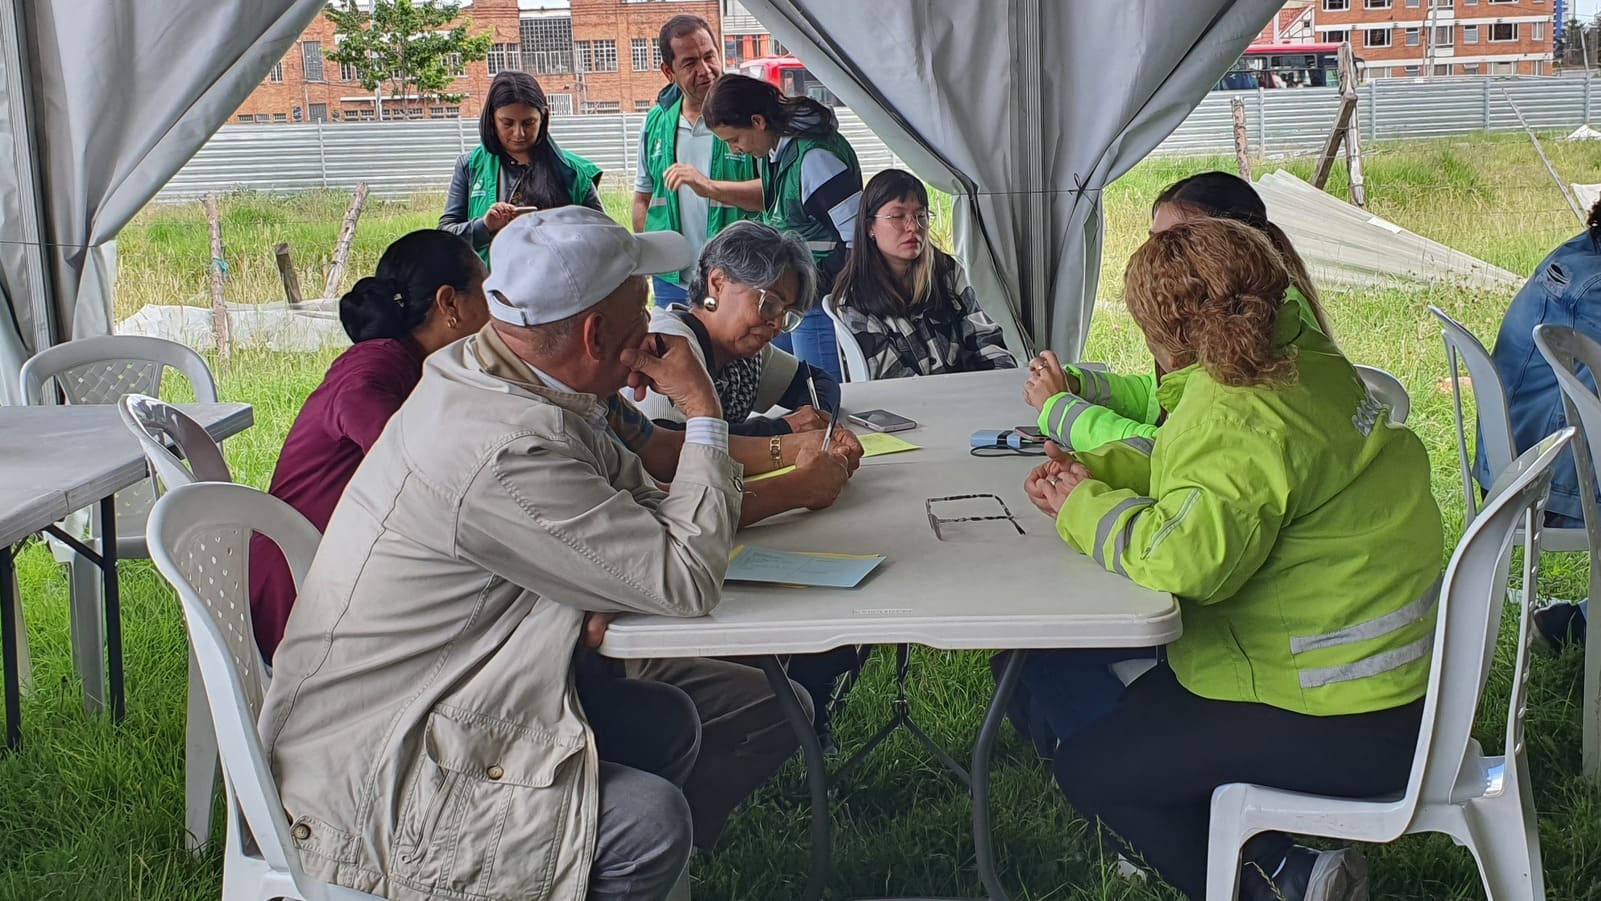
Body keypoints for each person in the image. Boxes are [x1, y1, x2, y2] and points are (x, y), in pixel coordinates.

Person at [261, 207, 851, 900]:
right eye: (642, 308)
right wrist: (701, 410)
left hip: (457, 692)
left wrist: (598, 583)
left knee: (668, 721)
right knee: (650, 822)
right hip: (380, 762)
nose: (655, 324)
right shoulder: (505, 446)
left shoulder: (504, 374)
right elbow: (683, 576)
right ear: (596, 332)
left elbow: (636, 520)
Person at [1022, 218, 1440, 901]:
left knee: (1091, 768)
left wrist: (1081, 507)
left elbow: (1191, 560)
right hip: (1396, 691)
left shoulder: (1235, 411)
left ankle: (1263, 886)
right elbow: (1219, 482)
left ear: (1163, 333)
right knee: (1064, 678)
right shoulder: (1302, 360)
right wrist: (1097, 471)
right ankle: (1281, 861)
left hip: (1330, 716)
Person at [247, 229, 490, 658]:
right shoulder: (371, 373)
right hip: (302, 593)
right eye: (488, 291)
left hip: (347, 571)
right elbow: (424, 476)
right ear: (449, 303)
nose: (496, 309)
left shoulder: (413, 364)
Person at [1024, 170, 1332, 456]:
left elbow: (1173, 449)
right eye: (1155, 240)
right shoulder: (1236, 303)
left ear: (1230, 247)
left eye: (1177, 242)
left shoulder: (1253, 322)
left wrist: (1060, 409)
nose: (1157, 257)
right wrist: (1079, 386)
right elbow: (1166, 396)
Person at [1483, 197, 1601, 648]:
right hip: (1550, 485)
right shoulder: (1593, 288)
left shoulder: (1582, 255)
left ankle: (1579, 624)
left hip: (1519, 463)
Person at [703, 72, 863, 383]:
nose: (735, 150)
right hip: (788, 302)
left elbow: (858, 240)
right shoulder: (773, 152)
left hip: (816, 305)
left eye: (735, 139)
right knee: (791, 392)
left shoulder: (815, 159)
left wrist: (810, 291)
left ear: (758, 121)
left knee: (820, 397)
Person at [638, 220, 840, 436]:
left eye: (788, 315)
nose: (778, 325)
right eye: (768, 304)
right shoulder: (667, 344)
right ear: (717, 283)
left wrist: (813, 419)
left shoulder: (743, 357)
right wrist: (784, 429)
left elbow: (818, 383)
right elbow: (665, 441)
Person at [831, 169, 1017, 378]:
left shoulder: (947, 271)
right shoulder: (855, 301)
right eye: (898, 216)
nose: (913, 227)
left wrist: (1002, 383)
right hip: (910, 406)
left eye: (920, 216)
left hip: (973, 398)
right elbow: (892, 385)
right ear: (869, 227)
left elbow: (987, 342)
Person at [632, 14, 763, 307]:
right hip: (671, 281)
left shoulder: (750, 117)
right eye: (690, 63)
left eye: (709, 56)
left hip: (739, 276)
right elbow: (642, 199)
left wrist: (711, 187)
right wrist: (649, 258)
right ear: (669, 72)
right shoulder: (656, 123)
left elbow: (774, 193)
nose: (705, 70)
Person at [440, 70, 604, 267]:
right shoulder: (470, 166)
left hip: (559, 288)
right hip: (489, 292)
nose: (519, 133)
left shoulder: (574, 172)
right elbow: (445, 236)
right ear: (492, 119)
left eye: (529, 123)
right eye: (507, 123)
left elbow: (603, 235)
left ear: (543, 117)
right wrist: (485, 227)